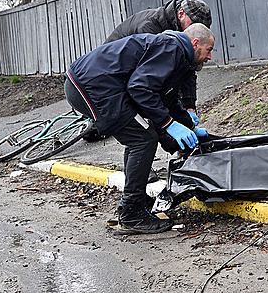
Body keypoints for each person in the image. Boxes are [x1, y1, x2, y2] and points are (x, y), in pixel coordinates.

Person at [64, 24, 215, 234]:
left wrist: (188, 127)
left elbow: (167, 100)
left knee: (142, 136)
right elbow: (140, 87)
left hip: (92, 83)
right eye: (209, 50)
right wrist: (169, 125)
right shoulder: (171, 48)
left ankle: (135, 202)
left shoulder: (177, 54)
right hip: (92, 86)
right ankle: (131, 213)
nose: (209, 57)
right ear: (195, 43)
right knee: (142, 139)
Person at [105, 0, 212, 116]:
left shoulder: (183, 34)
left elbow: (188, 68)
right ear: (181, 14)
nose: (194, 30)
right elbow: (147, 80)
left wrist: (189, 106)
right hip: (112, 71)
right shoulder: (150, 28)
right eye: (192, 25)